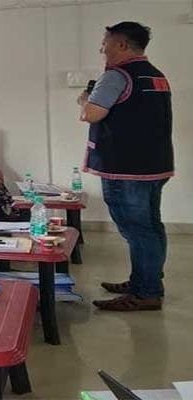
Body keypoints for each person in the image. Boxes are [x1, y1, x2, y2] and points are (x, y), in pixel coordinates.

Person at [78, 22, 173, 311]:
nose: (101, 48)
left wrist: (84, 99)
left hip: (125, 168)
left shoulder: (117, 75)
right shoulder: (156, 75)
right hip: (154, 165)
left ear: (121, 45)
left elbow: (91, 114)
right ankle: (145, 281)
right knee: (151, 228)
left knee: (137, 231)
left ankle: (146, 293)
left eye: (105, 42)